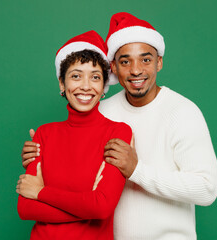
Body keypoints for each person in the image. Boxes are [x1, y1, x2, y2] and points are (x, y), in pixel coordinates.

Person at [21, 13, 217, 240]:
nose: (136, 70)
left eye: (146, 60)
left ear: (159, 62)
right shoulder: (101, 110)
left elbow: (206, 189)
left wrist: (137, 170)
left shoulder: (182, 112)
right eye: (125, 61)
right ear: (113, 67)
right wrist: (40, 153)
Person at [16, 30, 132, 240]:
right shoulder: (44, 133)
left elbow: (102, 208)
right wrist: (86, 208)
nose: (85, 86)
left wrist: (41, 193)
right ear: (62, 83)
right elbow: (25, 208)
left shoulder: (118, 132)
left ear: (104, 85)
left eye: (95, 77)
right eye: (76, 76)